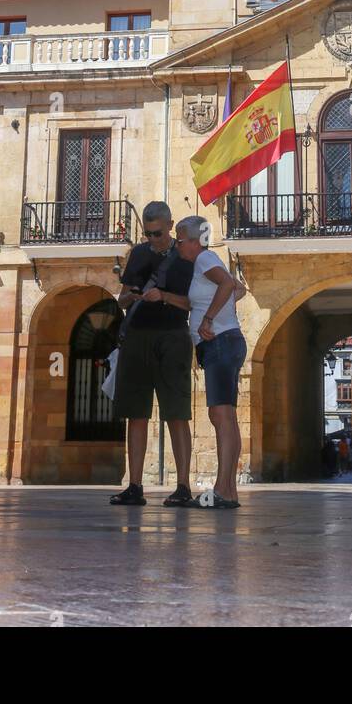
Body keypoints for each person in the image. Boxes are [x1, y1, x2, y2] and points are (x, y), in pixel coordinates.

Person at [109, 201, 195, 507]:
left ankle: (183, 486)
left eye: (157, 233)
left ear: (170, 226)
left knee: (177, 413)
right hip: (137, 337)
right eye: (147, 234)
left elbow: (192, 304)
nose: (152, 239)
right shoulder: (139, 254)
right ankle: (134, 485)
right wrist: (132, 295)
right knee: (136, 413)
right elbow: (121, 299)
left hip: (172, 337)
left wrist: (164, 296)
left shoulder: (185, 257)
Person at [175, 215, 247, 508]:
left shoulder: (205, 259)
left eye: (180, 241)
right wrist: (217, 308)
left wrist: (208, 319)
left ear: (194, 241)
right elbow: (237, 289)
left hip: (219, 342)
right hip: (223, 342)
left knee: (220, 416)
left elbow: (230, 284)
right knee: (225, 416)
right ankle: (228, 490)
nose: (178, 246)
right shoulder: (205, 263)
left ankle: (222, 489)